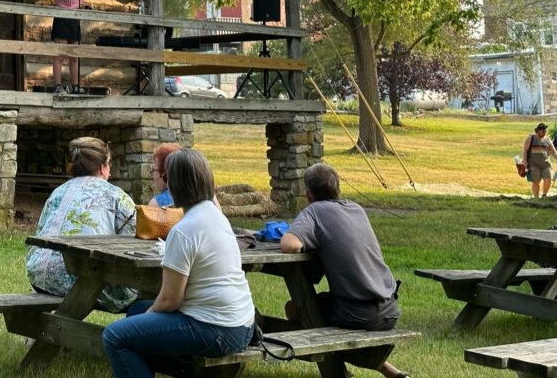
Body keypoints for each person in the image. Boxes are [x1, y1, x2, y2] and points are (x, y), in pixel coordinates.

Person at [102, 149, 255, 378]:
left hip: (215, 328)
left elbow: (170, 300)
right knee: (137, 311)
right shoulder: (216, 216)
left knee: (115, 336)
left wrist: (149, 317)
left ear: (173, 183)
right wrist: (146, 317)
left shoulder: (184, 230)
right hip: (243, 323)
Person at [280, 163, 410, 378]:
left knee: (297, 309)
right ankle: (391, 372)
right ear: (337, 187)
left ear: (308, 194)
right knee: (321, 310)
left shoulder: (313, 211)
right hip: (389, 309)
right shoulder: (356, 208)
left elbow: (290, 245)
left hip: (357, 313)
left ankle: (338, 372)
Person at [26, 137, 137, 312]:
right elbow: (135, 239)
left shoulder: (58, 192)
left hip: (39, 275)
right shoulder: (115, 195)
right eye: (109, 165)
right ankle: (132, 336)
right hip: (77, 279)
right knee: (141, 292)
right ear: (102, 167)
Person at [52, 0, 86, 93]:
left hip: (74, 19)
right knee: (60, 55)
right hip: (62, 17)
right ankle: (58, 86)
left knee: (74, 56)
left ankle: (75, 86)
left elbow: (81, 0)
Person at [523, 123, 557, 198]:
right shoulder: (530, 138)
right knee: (536, 182)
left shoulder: (547, 139)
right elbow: (525, 150)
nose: (544, 133)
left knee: (548, 179)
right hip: (533, 164)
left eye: (545, 131)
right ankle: (536, 198)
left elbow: (554, 152)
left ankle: (544, 195)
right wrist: (525, 161)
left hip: (545, 164)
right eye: (543, 131)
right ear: (538, 130)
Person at [147, 142, 182, 207]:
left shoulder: (156, 204)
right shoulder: (197, 198)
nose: (152, 176)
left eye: (153, 170)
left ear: (164, 173)